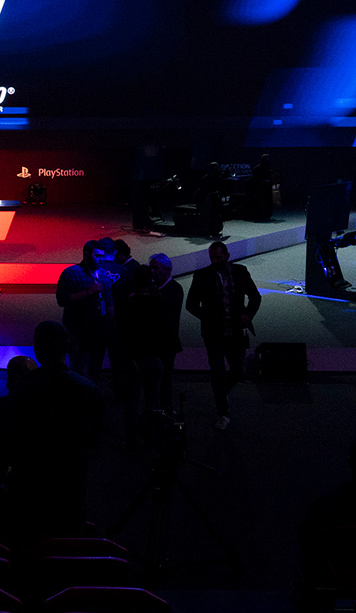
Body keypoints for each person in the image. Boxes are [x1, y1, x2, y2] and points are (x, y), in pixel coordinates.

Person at [0, 321, 102, 534]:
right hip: (71, 487)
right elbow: (96, 438)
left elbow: (7, 438)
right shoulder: (88, 389)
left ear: (37, 350)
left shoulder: (22, 389)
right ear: (67, 347)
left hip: (28, 488)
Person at [185, 240, 262, 431]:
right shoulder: (202, 275)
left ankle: (221, 394)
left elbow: (255, 296)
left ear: (227, 256)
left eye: (218, 257)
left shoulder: (240, 272)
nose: (215, 261)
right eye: (212, 257)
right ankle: (223, 412)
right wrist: (212, 320)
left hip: (235, 331)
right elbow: (191, 305)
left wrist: (247, 315)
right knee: (217, 373)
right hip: (214, 333)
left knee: (238, 371)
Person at [114, 253, 184, 442]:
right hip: (156, 352)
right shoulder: (157, 300)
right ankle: (153, 436)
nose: (153, 272)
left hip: (148, 353)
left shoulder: (134, 301)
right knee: (152, 394)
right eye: (151, 268)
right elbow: (164, 328)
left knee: (141, 395)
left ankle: (138, 436)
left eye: (155, 267)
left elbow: (123, 331)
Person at [55, 241, 112, 380]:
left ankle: (93, 391)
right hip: (78, 331)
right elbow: (62, 300)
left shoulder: (103, 274)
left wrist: (112, 325)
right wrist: (89, 291)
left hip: (99, 330)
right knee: (79, 370)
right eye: (97, 255)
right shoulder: (71, 273)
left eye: (102, 256)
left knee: (95, 370)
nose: (101, 259)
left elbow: (109, 302)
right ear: (86, 254)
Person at [248, 155, 277, 222]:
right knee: (262, 202)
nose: (268, 160)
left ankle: (268, 215)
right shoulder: (257, 169)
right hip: (260, 189)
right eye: (266, 159)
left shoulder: (269, 168)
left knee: (269, 202)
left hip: (268, 188)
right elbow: (255, 179)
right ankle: (261, 215)